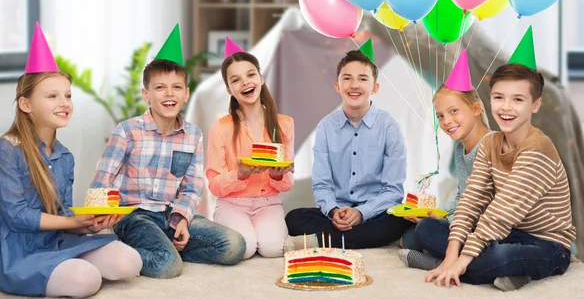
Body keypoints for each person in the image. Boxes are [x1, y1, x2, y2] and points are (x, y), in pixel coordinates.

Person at [0, 23, 141, 297]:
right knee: (86, 280)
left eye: (68, 95)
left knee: (129, 261)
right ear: (26, 104)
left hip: (57, 240)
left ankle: (65, 265)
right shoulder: (6, 149)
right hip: (17, 254)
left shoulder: (64, 155)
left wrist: (89, 223)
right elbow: (17, 216)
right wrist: (73, 224)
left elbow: (63, 211)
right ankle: (66, 269)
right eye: (52, 96)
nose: (64, 103)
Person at [425, 29, 576, 291]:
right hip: (509, 234)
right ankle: (491, 271)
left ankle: (442, 264)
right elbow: (472, 200)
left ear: (535, 105)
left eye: (518, 99)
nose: (505, 107)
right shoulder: (491, 144)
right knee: (427, 229)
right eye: (499, 98)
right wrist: (451, 256)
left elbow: (501, 212)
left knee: (500, 256)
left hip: (546, 243)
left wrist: (462, 260)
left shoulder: (538, 148)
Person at [90, 25, 245, 278]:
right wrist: (99, 223)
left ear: (186, 94)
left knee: (233, 245)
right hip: (133, 216)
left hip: (171, 214)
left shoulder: (193, 135)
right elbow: (102, 179)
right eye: (160, 87)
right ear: (146, 94)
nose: (169, 93)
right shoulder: (127, 131)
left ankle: (166, 245)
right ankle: (114, 250)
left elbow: (192, 186)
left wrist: (183, 219)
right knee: (167, 266)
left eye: (176, 87)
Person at [285, 48, 410, 248]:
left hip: (374, 212)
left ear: (375, 87)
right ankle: (354, 237)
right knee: (294, 218)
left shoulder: (389, 126)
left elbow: (393, 191)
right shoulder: (326, 127)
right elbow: (322, 184)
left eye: (362, 79)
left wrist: (361, 213)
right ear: (337, 86)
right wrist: (335, 211)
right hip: (337, 212)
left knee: (399, 219)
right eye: (347, 78)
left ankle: (322, 240)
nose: (354, 85)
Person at [399, 51, 490, 270]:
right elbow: (462, 194)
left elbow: (487, 205)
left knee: (426, 232)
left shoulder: (490, 147)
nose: (446, 121)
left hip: (487, 228)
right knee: (411, 236)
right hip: (464, 224)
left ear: (476, 109)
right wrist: (439, 214)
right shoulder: (461, 150)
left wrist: (446, 222)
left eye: (453, 111)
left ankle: (443, 264)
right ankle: (465, 263)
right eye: (440, 115)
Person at [206, 43, 294, 259]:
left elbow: (286, 182)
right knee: (244, 249)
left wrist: (277, 174)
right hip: (232, 204)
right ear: (229, 90)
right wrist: (240, 174)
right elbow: (214, 185)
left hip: (268, 203)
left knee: (272, 249)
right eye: (235, 80)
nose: (245, 82)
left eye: (250, 75)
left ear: (261, 79)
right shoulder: (221, 127)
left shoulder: (284, 124)